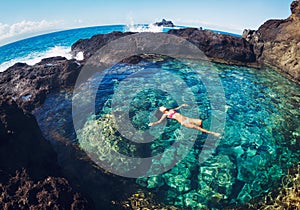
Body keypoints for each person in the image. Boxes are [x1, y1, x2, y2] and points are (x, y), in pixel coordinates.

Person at [148, 104, 220, 137]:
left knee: (200, 121)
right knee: (198, 127)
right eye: (163, 108)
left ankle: (202, 131)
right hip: (184, 122)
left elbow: (177, 108)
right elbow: (159, 121)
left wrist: (182, 105)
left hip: (187, 118)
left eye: (164, 107)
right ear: (162, 111)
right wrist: (153, 123)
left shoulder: (171, 110)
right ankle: (214, 133)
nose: (164, 107)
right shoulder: (165, 115)